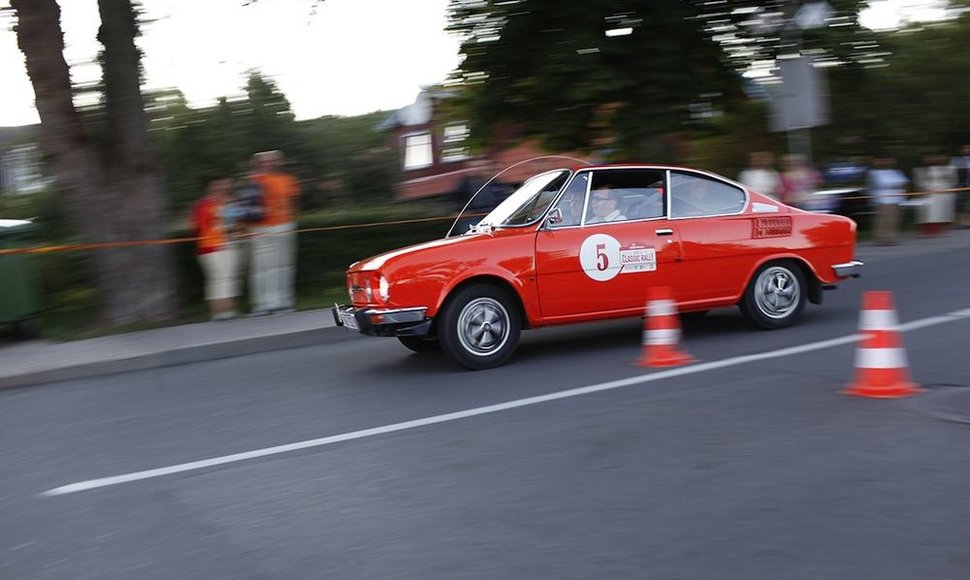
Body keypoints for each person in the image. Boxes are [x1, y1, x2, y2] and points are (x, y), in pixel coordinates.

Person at [248, 150, 301, 315]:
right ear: (258, 163)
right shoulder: (254, 179)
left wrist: (291, 218)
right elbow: (246, 203)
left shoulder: (287, 179)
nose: (270, 163)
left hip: (284, 225)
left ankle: (284, 302)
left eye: (273, 161)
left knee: (284, 266)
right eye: (265, 161)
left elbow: (295, 202)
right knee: (262, 267)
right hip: (261, 228)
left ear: (279, 162)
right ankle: (263, 304)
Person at [190, 177, 242, 321]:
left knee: (231, 277)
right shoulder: (203, 204)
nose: (220, 188)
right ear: (209, 187)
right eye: (216, 185)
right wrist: (217, 221)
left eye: (222, 184)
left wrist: (234, 228)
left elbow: (236, 223)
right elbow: (197, 226)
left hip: (230, 244)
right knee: (217, 278)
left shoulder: (230, 203)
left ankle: (230, 309)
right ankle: (218, 312)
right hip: (210, 246)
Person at [867, 156, 909, 246]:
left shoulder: (896, 172)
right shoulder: (874, 173)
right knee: (882, 220)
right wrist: (895, 185)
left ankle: (890, 237)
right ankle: (880, 238)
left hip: (896, 198)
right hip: (882, 199)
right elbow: (881, 184)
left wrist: (895, 185)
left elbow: (904, 183)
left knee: (894, 219)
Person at [913, 155, 957, 235]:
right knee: (925, 212)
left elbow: (953, 181)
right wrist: (925, 188)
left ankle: (941, 229)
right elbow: (918, 181)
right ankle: (926, 229)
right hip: (927, 192)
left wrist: (945, 188)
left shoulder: (949, 169)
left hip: (944, 192)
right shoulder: (919, 170)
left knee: (941, 212)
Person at [949, 144, 970, 227]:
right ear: (962, 150)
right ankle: (959, 222)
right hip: (960, 185)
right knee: (959, 204)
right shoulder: (956, 160)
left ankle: (968, 222)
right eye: (965, 148)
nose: (967, 150)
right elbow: (951, 173)